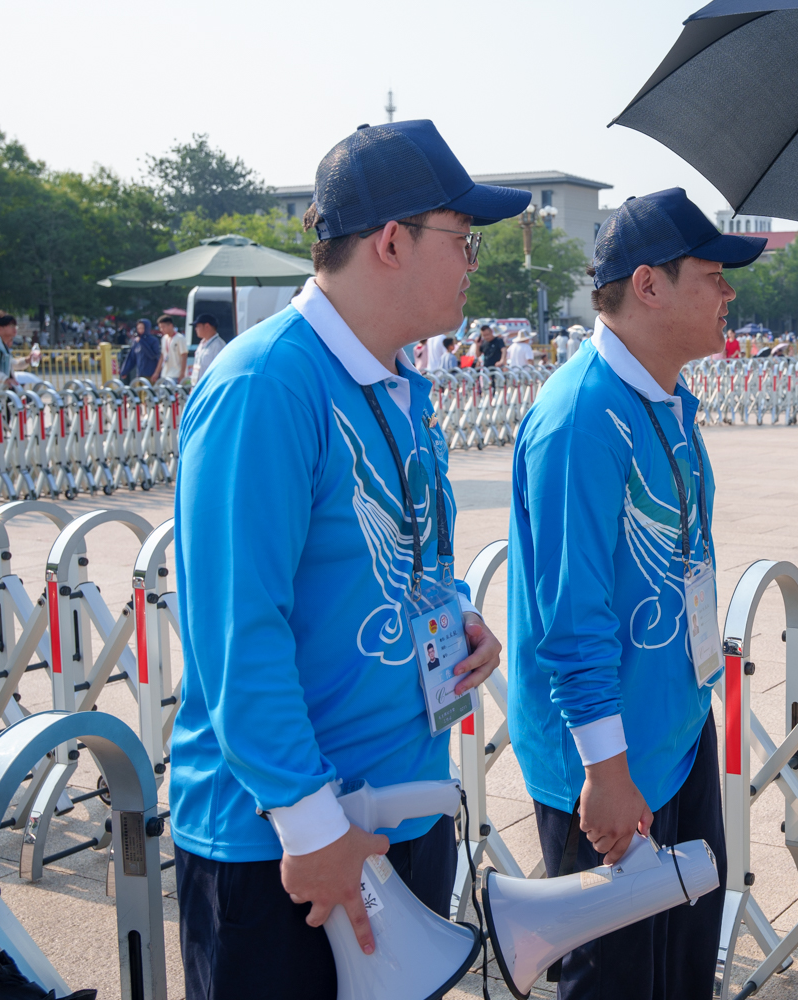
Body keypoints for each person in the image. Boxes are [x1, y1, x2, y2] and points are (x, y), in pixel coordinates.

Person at [169, 119, 523, 999]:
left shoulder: (398, 383)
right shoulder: (265, 385)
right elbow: (237, 627)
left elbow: (406, 549)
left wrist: (453, 616)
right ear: (392, 242)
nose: (472, 262)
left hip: (395, 814)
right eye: (462, 238)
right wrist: (308, 822)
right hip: (287, 845)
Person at [508, 187, 763, 998]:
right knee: (615, 983)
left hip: (676, 736)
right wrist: (607, 770)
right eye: (713, 275)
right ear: (649, 285)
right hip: (608, 766)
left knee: (681, 975)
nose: (729, 293)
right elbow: (571, 618)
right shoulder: (582, 416)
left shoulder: (668, 402)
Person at [121, 318, 162, 383]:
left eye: (142, 328)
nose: (140, 330)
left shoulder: (153, 340)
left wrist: (142, 342)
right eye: (138, 328)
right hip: (140, 374)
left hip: (151, 374)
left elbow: (153, 355)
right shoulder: (136, 341)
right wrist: (125, 371)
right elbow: (131, 358)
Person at [191, 314, 225, 383]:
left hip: (209, 385)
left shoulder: (218, 345)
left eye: (198, 326)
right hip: (197, 384)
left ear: (207, 326)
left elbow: (220, 369)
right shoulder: (202, 343)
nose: (196, 329)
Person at [159, 316, 188, 382]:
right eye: (160, 327)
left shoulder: (180, 338)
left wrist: (182, 373)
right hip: (165, 374)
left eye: (163, 327)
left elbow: (184, 355)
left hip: (176, 374)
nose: (161, 329)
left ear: (170, 325)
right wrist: (156, 372)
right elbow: (162, 356)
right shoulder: (164, 338)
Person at [0, 313, 16, 387]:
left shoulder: (4, 346)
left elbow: (13, 364)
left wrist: (27, 360)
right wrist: (5, 379)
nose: (14, 328)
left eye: (15, 325)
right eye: (11, 325)